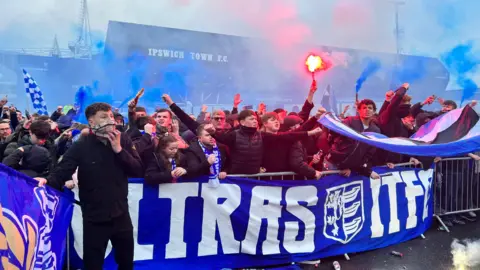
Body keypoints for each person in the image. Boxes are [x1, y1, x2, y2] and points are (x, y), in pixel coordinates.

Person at [35, 102, 143, 270]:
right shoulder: (82, 145)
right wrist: (46, 181)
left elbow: (137, 170)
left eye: (111, 116)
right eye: (104, 117)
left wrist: (119, 150)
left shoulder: (124, 139)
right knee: (93, 264)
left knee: (126, 261)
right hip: (94, 217)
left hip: (121, 213)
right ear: (92, 122)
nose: (110, 120)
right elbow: (62, 171)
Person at [324, 99, 381, 179]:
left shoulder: (375, 131)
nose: (367, 110)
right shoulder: (350, 121)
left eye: (370, 108)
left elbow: (368, 154)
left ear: (374, 111)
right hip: (332, 163)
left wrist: (363, 170)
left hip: (348, 169)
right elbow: (333, 136)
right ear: (358, 110)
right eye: (364, 108)